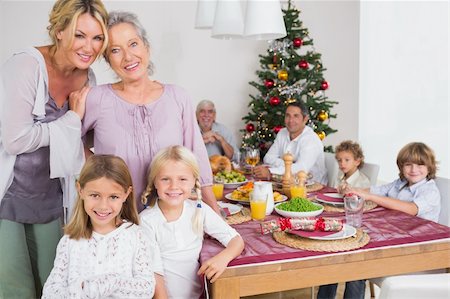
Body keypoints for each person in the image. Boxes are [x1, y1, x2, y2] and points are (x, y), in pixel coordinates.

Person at [0, 1, 108, 297]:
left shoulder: (89, 78)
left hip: (52, 199)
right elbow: (15, 140)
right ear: (59, 31)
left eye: (97, 37)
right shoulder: (25, 65)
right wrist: (71, 119)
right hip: (7, 195)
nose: (90, 47)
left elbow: (83, 144)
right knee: (15, 289)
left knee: (55, 285)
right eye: (80, 35)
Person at [81, 11, 219, 214]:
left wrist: (214, 211)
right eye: (116, 50)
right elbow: (70, 142)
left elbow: (196, 158)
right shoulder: (97, 98)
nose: (128, 56)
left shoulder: (177, 97)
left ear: (147, 47)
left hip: (171, 219)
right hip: (118, 219)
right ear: (108, 59)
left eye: (133, 44)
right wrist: (99, 170)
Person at [42, 155, 155, 298]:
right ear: (80, 190)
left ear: (126, 194)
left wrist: (110, 282)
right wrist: (82, 288)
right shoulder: (69, 240)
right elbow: (50, 293)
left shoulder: (136, 236)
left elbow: (146, 289)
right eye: (95, 195)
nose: (103, 206)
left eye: (113, 197)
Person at [140, 145, 245, 298]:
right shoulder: (147, 221)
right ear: (155, 182)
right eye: (165, 179)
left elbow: (236, 240)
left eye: (182, 179)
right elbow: (154, 274)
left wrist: (223, 258)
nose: (174, 186)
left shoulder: (199, 210)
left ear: (193, 181)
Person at [317, 140, 371, 299]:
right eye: (339, 160)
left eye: (347, 160)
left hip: (357, 224)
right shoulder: (341, 176)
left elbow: (359, 203)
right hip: (340, 219)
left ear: (357, 161)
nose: (342, 163)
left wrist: (347, 192)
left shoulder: (362, 182)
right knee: (330, 253)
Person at [345, 142, 440, 222]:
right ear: (401, 167)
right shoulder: (401, 182)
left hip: (422, 236)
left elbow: (411, 209)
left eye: (420, 165)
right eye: (408, 165)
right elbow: (376, 190)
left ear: (429, 167)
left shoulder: (430, 191)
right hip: (398, 225)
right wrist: (353, 190)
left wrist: (370, 197)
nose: (413, 170)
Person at [253, 101, 327, 184]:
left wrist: (271, 171)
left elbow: (301, 169)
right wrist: (289, 164)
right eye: (288, 116)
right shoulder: (282, 132)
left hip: (311, 187)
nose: (291, 120)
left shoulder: (311, 139)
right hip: (284, 182)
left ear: (305, 119)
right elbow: (268, 158)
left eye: (296, 116)